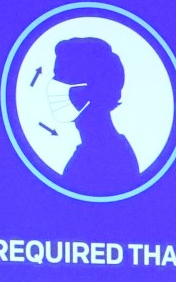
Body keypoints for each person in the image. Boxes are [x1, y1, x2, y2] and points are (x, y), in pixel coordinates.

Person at [48, 37, 144, 195]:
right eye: (56, 79)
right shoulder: (97, 151)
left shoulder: (104, 158)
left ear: (93, 88)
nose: (55, 87)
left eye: (64, 79)